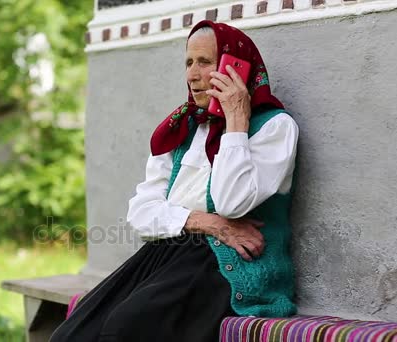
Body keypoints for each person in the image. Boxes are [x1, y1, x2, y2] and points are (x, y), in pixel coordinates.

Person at [49, 20, 299, 342]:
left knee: (127, 327)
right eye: (188, 63)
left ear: (235, 68)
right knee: (73, 333)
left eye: (205, 62)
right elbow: (141, 213)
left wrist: (237, 120)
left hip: (225, 265)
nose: (193, 75)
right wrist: (208, 222)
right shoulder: (183, 128)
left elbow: (231, 203)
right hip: (168, 253)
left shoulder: (274, 128)